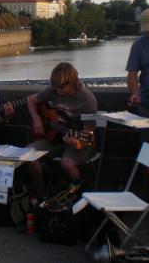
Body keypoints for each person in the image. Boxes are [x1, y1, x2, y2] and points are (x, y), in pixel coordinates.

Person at [27, 62, 97, 200]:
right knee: (27, 154)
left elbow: (89, 137)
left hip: (79, 143)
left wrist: (75, 143)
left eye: (61, 87)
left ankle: (77, 194)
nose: (57, 91)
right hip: (54, 139)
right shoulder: (54, 89)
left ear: (72, 82)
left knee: (67, 163)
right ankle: (42, 194)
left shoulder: (87, 100)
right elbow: (31, 100)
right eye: (55, 86)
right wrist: (37, 119)